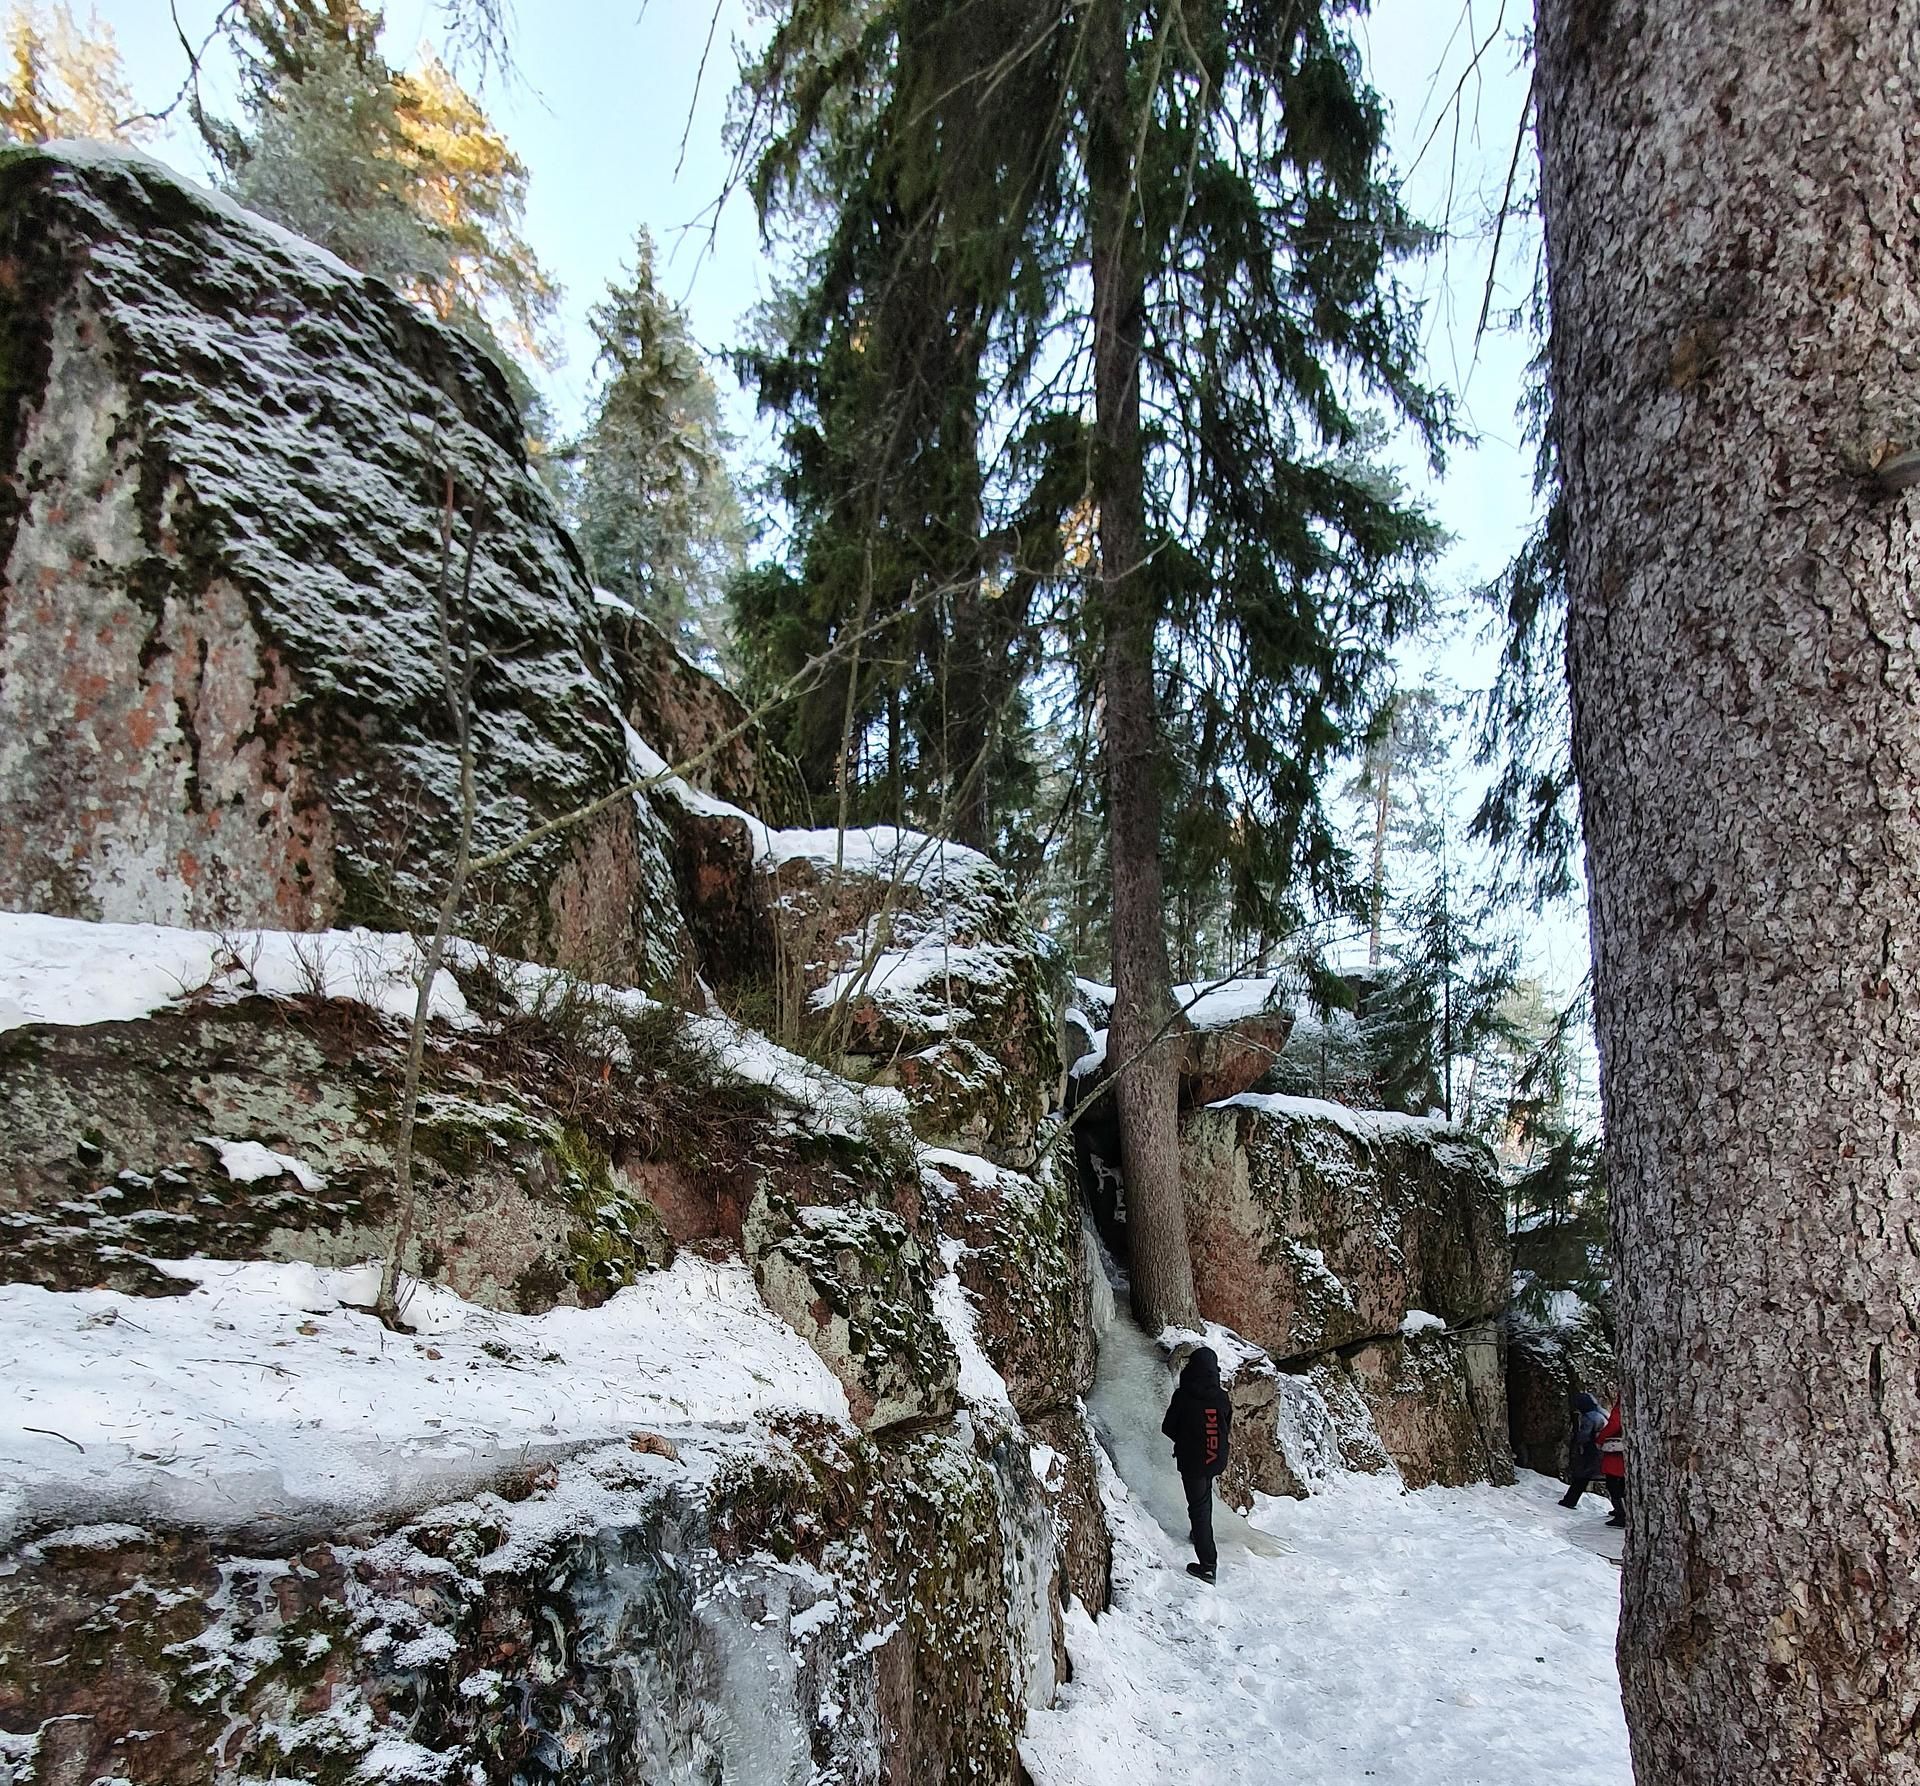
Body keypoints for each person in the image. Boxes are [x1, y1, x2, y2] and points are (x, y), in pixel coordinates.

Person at [1162, 1345, 1233, 1583]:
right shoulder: (1221, 1397)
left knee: (1198, 1508)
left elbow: (1168, 1427)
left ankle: (1208, 1565)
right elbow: (1226, 1426)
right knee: (1204, 1499)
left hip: (1192, 1460)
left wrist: (1186, 1438)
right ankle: (1199, 1534)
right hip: (1216, 1457)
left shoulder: (1183, 1395)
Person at [1558, 1390, 1606, 1508]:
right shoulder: (1601, 1413)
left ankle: (1569, 1501)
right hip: (1602, 1449)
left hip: (1592, 1449)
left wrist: (1578, 1442)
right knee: (1608, 1478)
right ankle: (1620, 1508)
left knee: (1581, 1476)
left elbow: (1585, 1435)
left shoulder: (1589, 1416)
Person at [1596, 1395, 1627, 1527]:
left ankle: (1621, 1514)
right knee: (1622, 1483)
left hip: (1616, 1451)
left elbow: (1615, 1424)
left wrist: (1600, 1439)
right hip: (1624, 1451)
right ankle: (1622, 1510)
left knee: (1613, 1483)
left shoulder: (1623, 1404)